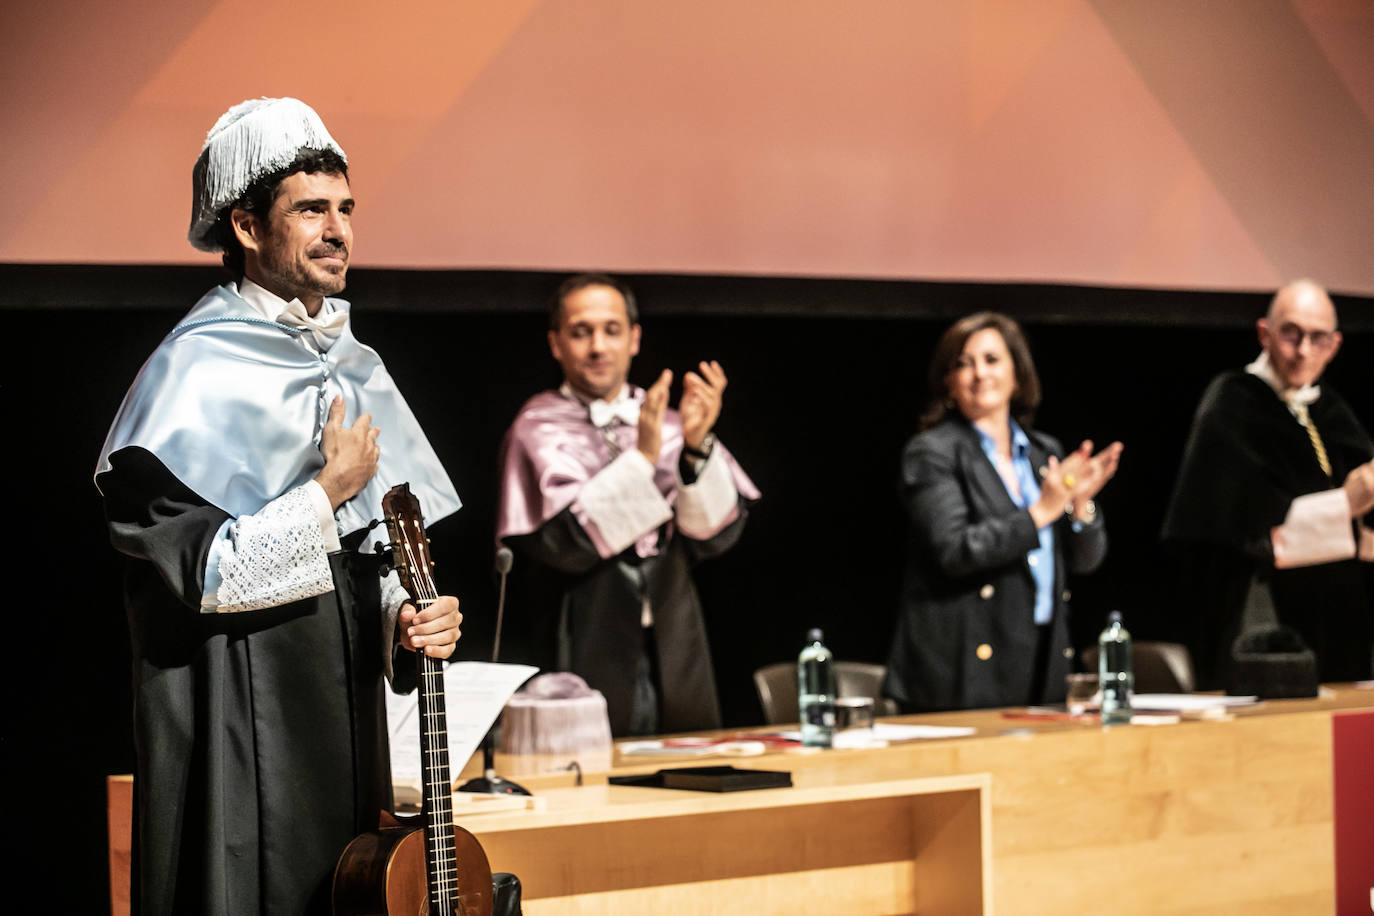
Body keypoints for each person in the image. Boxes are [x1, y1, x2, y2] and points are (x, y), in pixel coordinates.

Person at [94, 98, 465, 915]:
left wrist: (412, 616)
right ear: (249, 227)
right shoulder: (187, 375)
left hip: (349, 735)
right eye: (310, 209)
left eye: (345, 210)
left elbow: (375, 556)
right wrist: (326, 491)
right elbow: (204, 578)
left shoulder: (351, 363)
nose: (337, 230)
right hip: (237, 734)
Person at [496, 274, 760, 736]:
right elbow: (566, 544)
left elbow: (716, 537)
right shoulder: (537, 427)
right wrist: (643, 459)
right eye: (581, 332)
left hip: (674, 633)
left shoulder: (669, 421)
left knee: (687, 759)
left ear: (634, 338)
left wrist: (695, 448)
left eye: (612, 330)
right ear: (556, 344)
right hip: (586, 628)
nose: (598, 346)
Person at [882, 312, 1122, 712]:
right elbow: (955, 550)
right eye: (963, 363)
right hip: (964, 667)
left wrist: (1081, 506)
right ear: (948, 382)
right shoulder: (932, 452)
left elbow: (1084, 561)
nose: (979, 373)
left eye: (992, 360)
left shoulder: (1045, 452)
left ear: (1017, 374)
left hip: (1041, 656)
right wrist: (1041, 512)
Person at [1162, 279, 1374, 689]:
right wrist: (1344, 505)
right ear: (1265, 333)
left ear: (1335, 345)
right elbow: (1242, 528)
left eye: (1318, 338)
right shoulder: (1234, 403)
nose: (1303, 351)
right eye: (1292, 334)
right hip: (1263, 616)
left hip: (1339, 618)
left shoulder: (1331, 410)